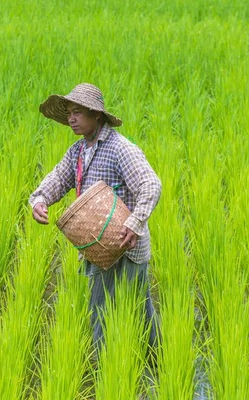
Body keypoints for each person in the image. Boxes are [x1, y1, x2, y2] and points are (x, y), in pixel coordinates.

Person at [29, 83, 162, 357]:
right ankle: (117, 366)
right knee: (110, 306)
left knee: (132, 308)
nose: (71, 119)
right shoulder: (78, 151)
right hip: (100, 247)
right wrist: (40, 199)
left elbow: (150, 185)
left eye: (77, 112)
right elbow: (58, 178)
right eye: (68, 113)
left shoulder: (120, 148)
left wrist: (135, 223)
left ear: (96, 115)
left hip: (127, 244)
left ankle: (146, 362)